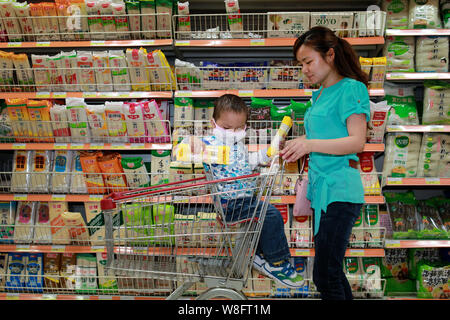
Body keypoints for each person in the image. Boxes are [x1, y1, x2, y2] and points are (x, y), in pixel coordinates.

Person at [280, 26, 371, 300]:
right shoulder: (318, 94)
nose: (305, 69)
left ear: (330, 55)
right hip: (321, 193)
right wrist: (297, 144)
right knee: (330, 272)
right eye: (301, 64)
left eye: (309, 61)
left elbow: (356, 141)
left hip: (341, 190)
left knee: (325, 274)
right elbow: (325, 134)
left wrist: (308, 144)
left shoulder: (352, 89)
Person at [180, 94, 304, 288]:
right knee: (270, 214)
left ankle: (259, 256)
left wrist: (268, 153)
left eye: (239, 128)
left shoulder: (238, 146)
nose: (233, 133)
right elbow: (182, 149)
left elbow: (249, 162)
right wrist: (192, 142)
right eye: (227, 128)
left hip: (245, 200)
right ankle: (277, 263)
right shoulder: (210, 144)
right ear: (214, 124)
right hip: (230, 204)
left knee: (263, 218)